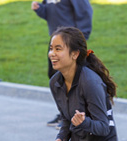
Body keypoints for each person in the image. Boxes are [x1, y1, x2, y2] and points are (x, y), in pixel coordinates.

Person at [31, 0, 93, 128]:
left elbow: (85, 12)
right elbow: (50, 12)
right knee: (56, 77)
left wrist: (80, 40)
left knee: (71, 79)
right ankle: (65, 114)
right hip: (55, 40)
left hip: (70, 42)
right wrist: (39, 9)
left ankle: (77, 115)